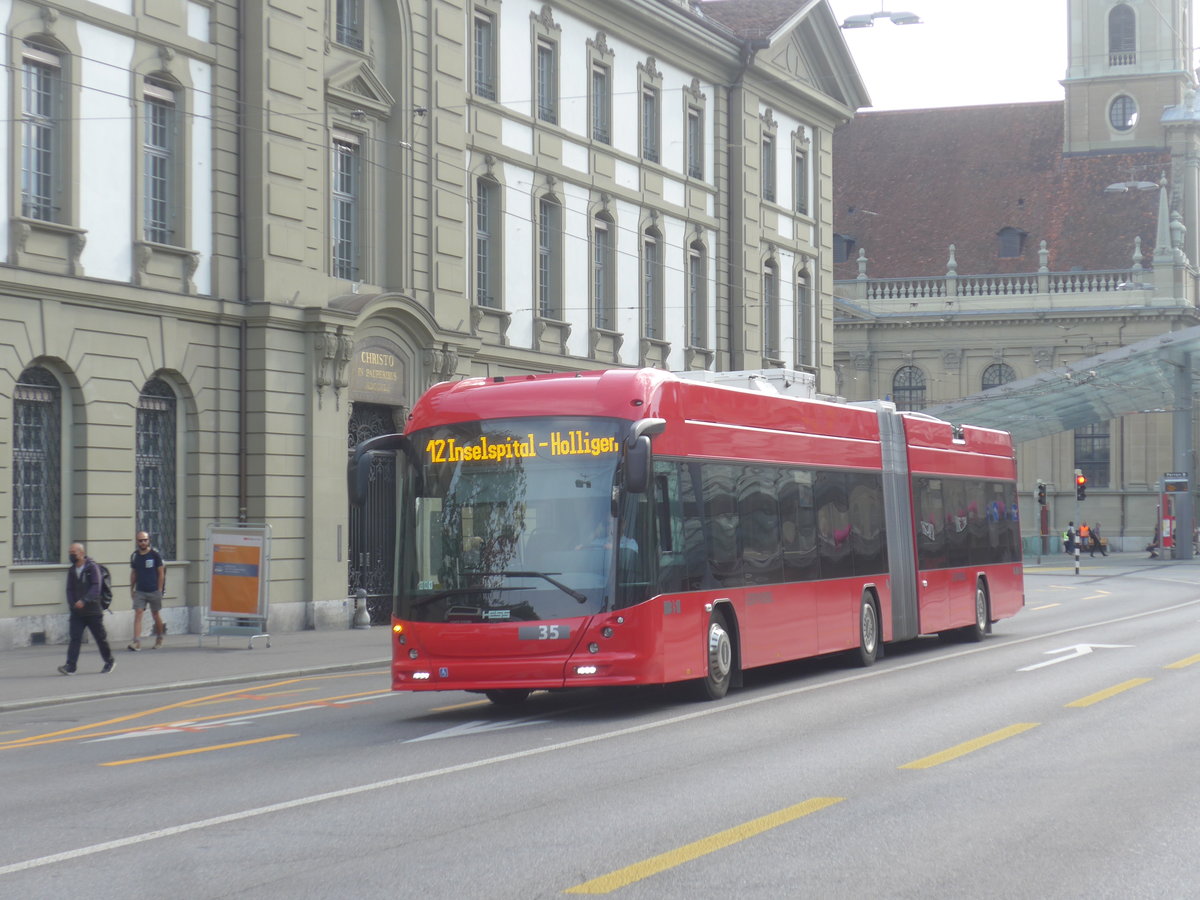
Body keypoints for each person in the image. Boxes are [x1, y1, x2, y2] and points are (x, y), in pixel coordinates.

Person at [59, 542, 115, 675]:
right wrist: (73, 603)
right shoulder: (72, 570)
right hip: (77, 612)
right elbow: (69, 589)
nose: (71, 555)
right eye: (70, 553)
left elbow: (96, 587)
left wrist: (84, 600)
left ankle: (109, 661)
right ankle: (71, 666)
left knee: (100, 637)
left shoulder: (92, 567)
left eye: (74, 553)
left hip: (92, 611)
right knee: (75, 638)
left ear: (82, 553)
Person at [128, 531, 166, 650]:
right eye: (140, 540)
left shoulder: (155, 554)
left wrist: (159, 589)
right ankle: (136, 642)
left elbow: (161, 573)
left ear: (149, 540)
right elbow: (134, 573)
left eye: (145, 540)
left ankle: (159, 637)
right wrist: (132, 589)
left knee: (155, 614)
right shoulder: (135, 556)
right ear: (137, 541)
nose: (143, 542)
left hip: (154, 590)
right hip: (140, 591)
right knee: (138, 613)